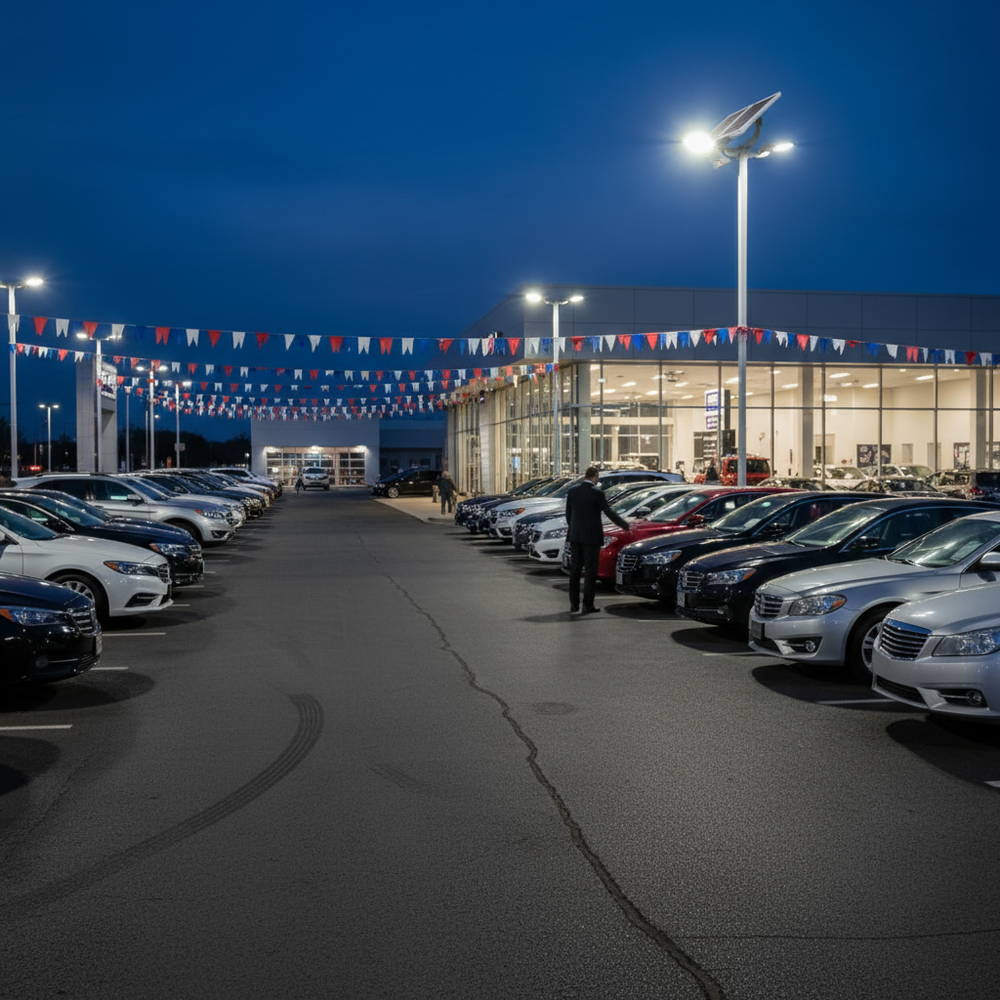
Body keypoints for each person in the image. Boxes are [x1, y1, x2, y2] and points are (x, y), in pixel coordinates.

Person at [565, 466, 630, 614]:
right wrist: (624, 525)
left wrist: (575, 530)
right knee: (590, 571)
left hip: (575, 537)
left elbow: (568, 514)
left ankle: (573, 604)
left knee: (574, 571)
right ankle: (587, 605)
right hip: (591, 538)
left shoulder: (573, 492)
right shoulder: (597, 493)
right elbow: (609, 512)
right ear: (595, 477)